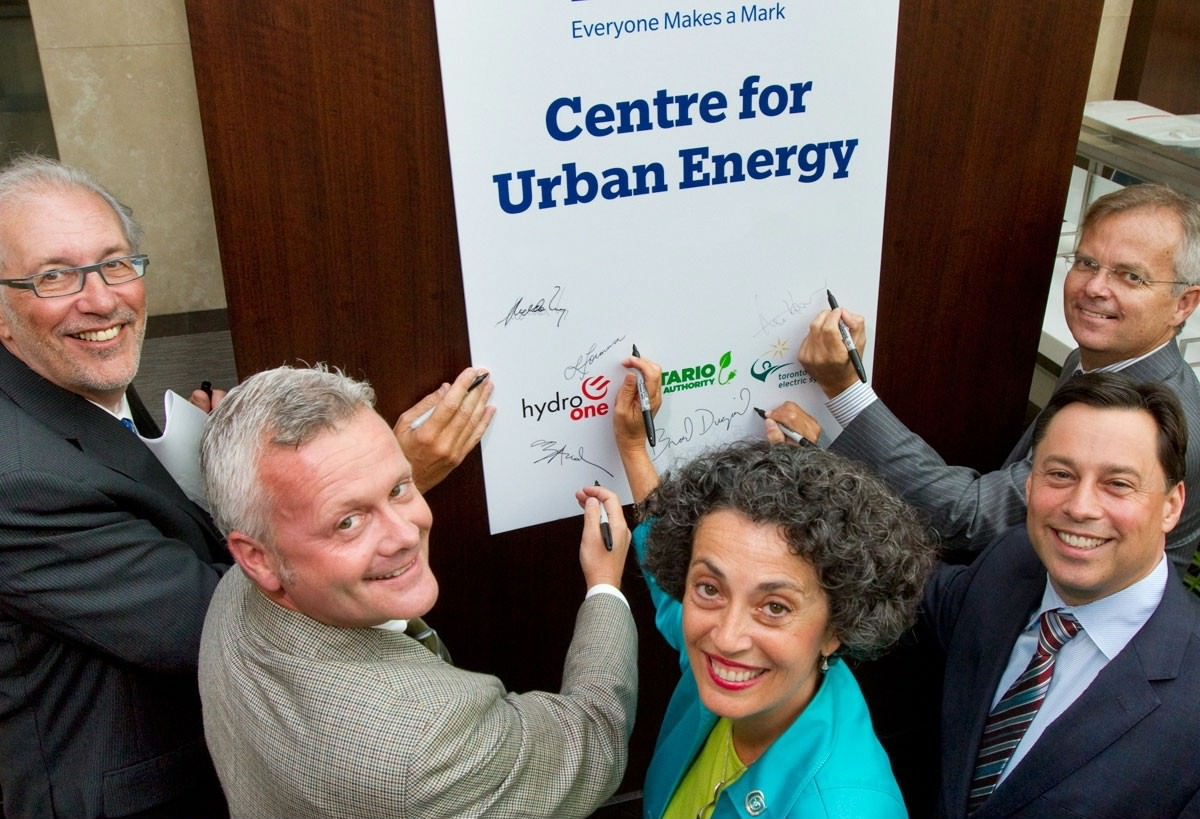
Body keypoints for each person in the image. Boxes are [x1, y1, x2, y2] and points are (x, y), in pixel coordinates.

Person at [0, 155, 493, 819]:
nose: (101, 298)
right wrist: (369, 488)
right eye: (54, 276)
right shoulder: (20, 478)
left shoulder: (71, 376)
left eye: (114, 262)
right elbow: (222, 624)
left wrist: (235, 466)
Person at [197, 364, 636, 819]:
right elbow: (594, 741)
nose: (406, 535)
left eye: (399, 488)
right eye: (348, 521)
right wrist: (605, 588)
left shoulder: (236, 590)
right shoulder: (424, 742)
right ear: (258, 558)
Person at [781, 183, 1200, 574]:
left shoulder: (1143, 415)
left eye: (1131, 276)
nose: (1095, 287)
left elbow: (971, 517)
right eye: (1088, 263)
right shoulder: (1096, 358)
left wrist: (844, 389)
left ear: (1184, 304)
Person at [612, 355, 937, 819]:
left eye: (775, 607)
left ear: (837, 626)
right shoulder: (747, 670)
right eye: (710, 589)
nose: (725, 636)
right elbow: (672, 591)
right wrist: (633, 450)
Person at [924, 372, 1200, 817]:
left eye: (1118, 484)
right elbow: (906, 586)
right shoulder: (1009, 563)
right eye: (1060, 474)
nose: (1080, 507)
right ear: (1029, 485)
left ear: (1171, 505)